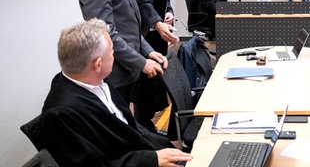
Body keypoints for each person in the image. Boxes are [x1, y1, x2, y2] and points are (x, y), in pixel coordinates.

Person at [39, 19, 194, 167]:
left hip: (143, 149)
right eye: (112, 52)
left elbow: (127, 125)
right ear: (98, 64)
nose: (114, 55)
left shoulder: (94, 78)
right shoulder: (60, 116)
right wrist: (151, 160)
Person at [78, 0, 168, 132]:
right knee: (118, 128)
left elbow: (131, 24)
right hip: (114, 71)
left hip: (126, 67)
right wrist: (141, 62)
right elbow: (107, 35)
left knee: (129, 123)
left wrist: (149, 51)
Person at [126, 0, 178, 131]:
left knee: (155, 82)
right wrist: (157, 22)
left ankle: (149, 126)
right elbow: (143, 3)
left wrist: (169, 13)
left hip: (156, 35)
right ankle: (143, 128)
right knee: (144, 87)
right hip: (144, 37)